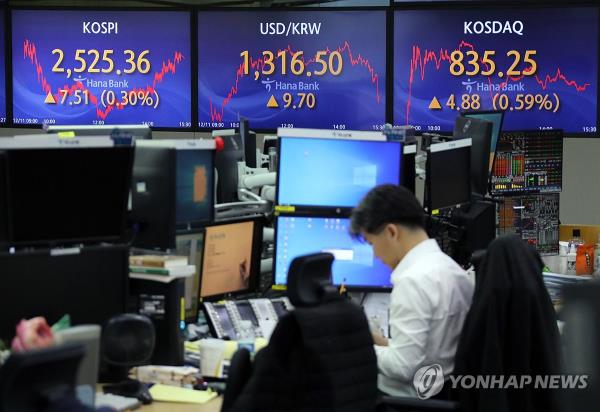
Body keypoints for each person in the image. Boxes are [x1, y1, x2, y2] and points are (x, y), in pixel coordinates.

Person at [350, 184, 474, 397]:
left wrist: (356, 347)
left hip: (405, 400)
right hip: (440, 392)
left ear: (391, 232)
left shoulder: (412, 281)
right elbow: (425, 351)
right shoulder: (451, 269)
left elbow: (403, 367)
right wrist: (375, 340)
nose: (375, 256)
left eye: (371, 244)